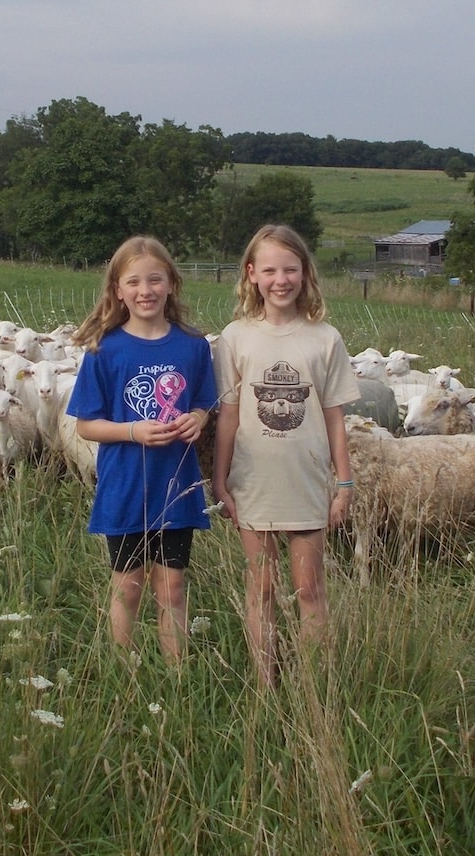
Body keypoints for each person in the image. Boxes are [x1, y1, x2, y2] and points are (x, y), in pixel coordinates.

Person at [210, 223, 361, 685]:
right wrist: (221, 481)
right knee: (261, 589)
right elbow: (229, 418)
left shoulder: (325, 338)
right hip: (254, 482)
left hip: (308, 479)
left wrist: (344, 482)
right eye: (271, 270)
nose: (281, 280)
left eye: (290, 269)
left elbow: (334, 417)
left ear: (304, 273)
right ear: (252, 274)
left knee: (310, 589)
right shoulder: (235, 337)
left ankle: (315, 686)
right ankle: (266, 684)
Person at [66, 236, 216, 662]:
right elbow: (86, 425)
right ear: (117, 290)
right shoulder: (104, 349)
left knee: (171, 585)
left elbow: (205, 402)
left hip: (177, 487)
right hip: (126, 488)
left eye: (155, 280)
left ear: (172, 284)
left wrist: (198, 419)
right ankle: (123, 673)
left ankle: (175, 672)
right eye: (133, 281)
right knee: (128, 585)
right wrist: (134, 431)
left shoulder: (192, 345)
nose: (145, 290)